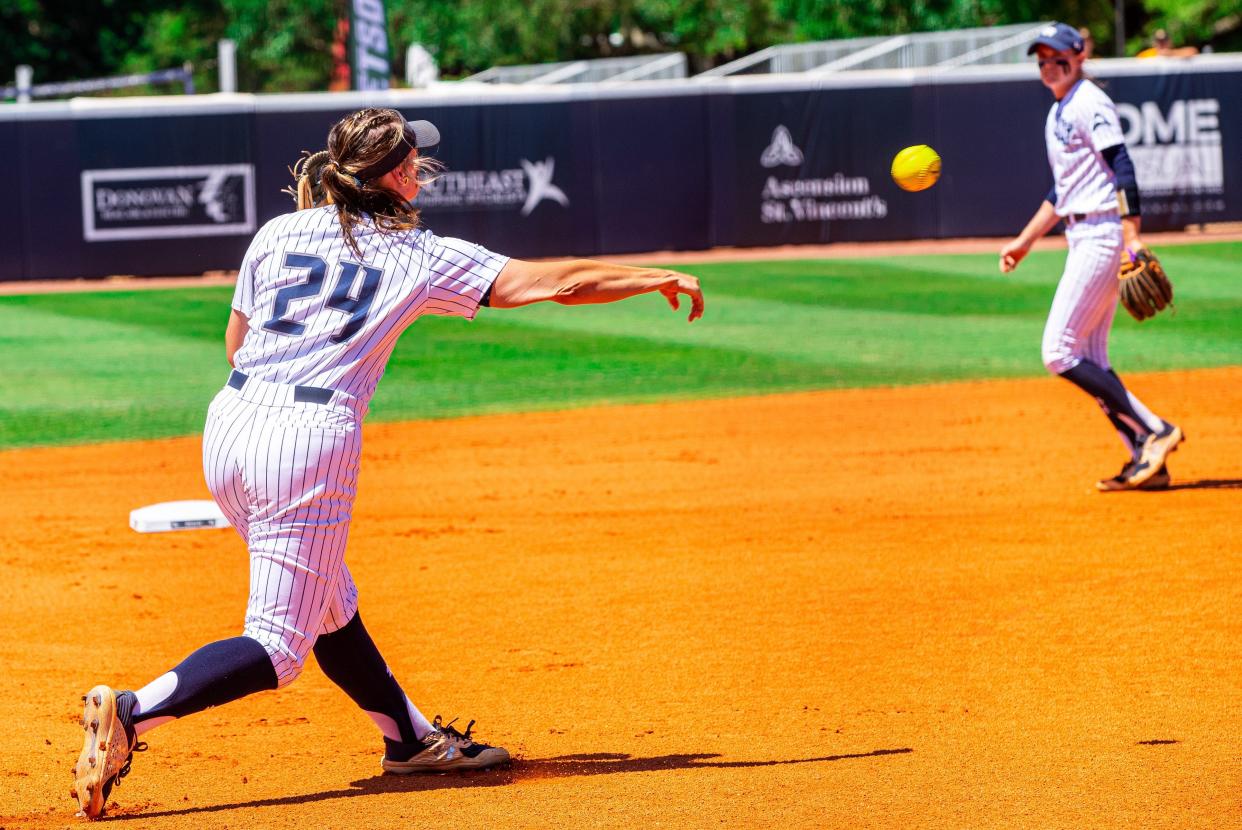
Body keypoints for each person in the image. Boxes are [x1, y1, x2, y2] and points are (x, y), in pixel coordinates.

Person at [71, 107, 705, 819]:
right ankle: (133, 711)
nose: (421, 166)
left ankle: (409, 741)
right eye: (413, 158)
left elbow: (233, 344)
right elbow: (545, 282)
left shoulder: (277, 232)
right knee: (279, 648)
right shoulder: (420, 255)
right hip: (308, 442)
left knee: (330, 603)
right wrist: (651, 275)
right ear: (399, 174)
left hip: (229, 424)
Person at [999, 23, 1182, 493]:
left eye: (1056, 55)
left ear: (1078, 56)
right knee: (1089, 357)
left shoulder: (1088, 101)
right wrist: (1025, 241)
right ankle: (1146, 458)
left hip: (1103, 231)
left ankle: (1156, 430)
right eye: (1040, 57)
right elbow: (1062, 190)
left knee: (1058, 352)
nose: (1047, 64)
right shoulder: (1060, 109)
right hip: (1082, 231)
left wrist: (1132, 236)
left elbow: (1122, 164)